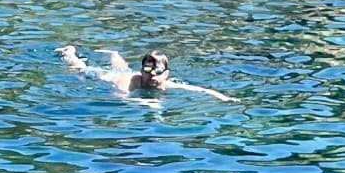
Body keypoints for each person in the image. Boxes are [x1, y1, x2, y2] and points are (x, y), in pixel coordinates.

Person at [60, 45, 232, 102]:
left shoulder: (166, 83)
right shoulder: (130, 84)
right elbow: (121, 97)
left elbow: (202, 90)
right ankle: (70, 51)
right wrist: (146, 102)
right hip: (108, 77)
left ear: (166, 74)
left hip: (124, 73)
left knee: (122, 67)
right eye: (147, 70)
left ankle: (114, 53)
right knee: (81, 68)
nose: (152, 75)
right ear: (142, 71)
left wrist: (225, 98)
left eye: (157, 71)